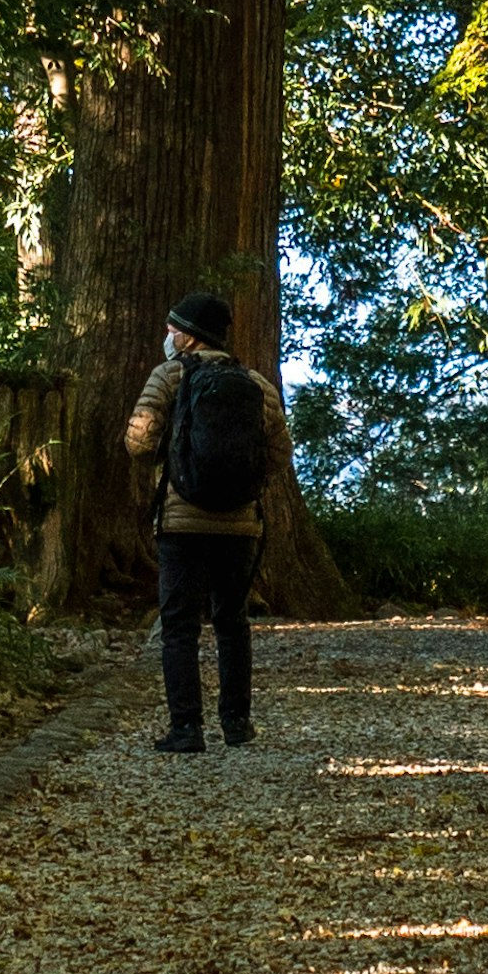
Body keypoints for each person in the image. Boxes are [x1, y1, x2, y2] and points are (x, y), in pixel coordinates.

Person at [127, 281, 293, 757]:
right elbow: (279, 454)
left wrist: (175, 458)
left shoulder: (168, 376)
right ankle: (237, 723)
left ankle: (186, 728)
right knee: (231, 622)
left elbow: (138, 444)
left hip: (182, 523)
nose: (168, 333)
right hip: (239, 524)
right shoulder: (256, 384)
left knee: (179, 624)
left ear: (191, 336)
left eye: (173, 327)